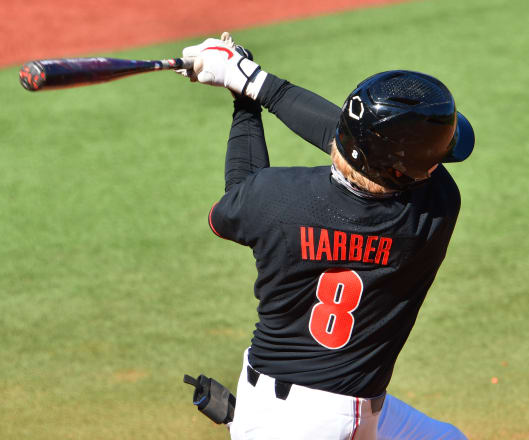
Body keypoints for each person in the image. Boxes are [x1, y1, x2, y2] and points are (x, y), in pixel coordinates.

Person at [177, 33, 474, 440]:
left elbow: (237, 197)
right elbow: (360, 147)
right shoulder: (434, 209)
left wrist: (244, 89)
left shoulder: (275, 200)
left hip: (276, 405)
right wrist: (250, 79)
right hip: (322, 421)